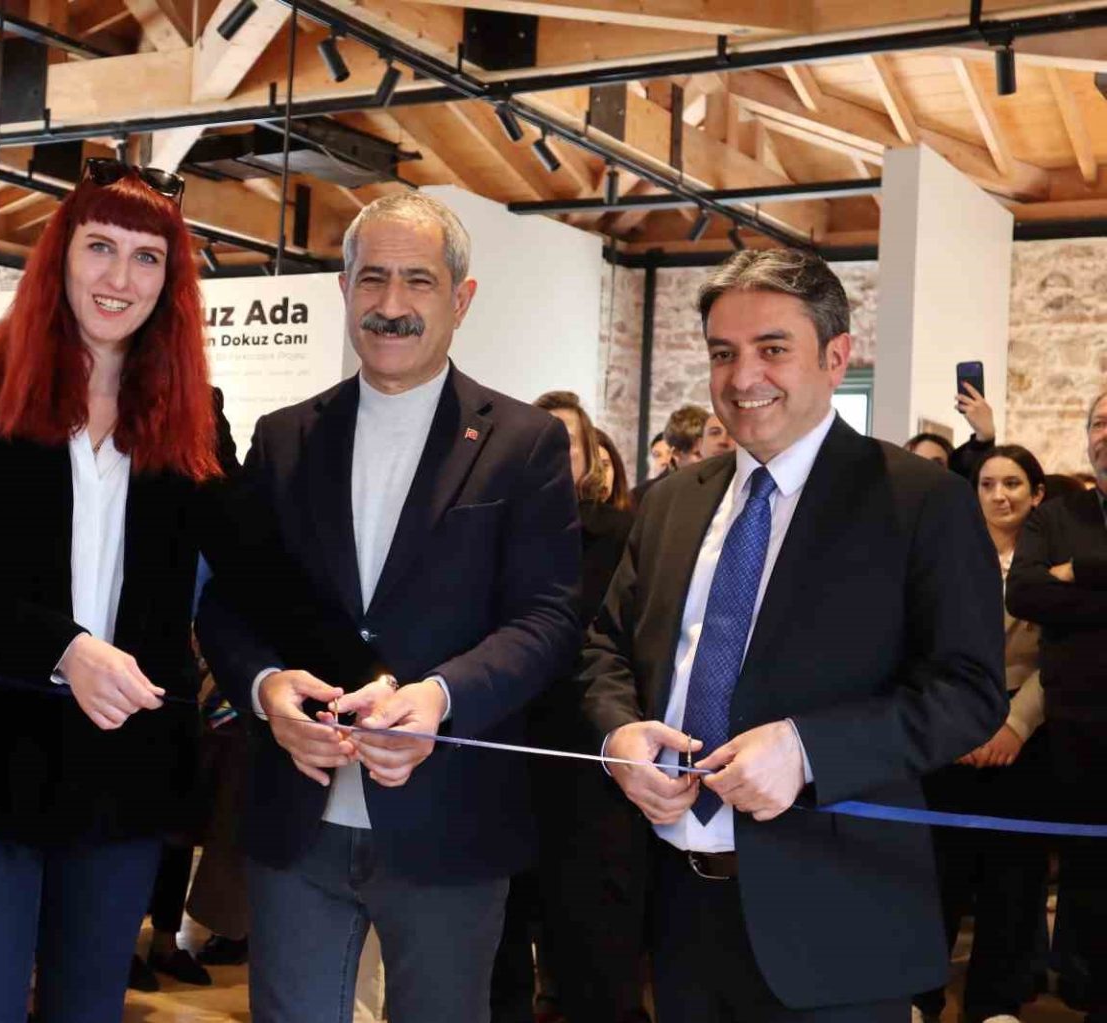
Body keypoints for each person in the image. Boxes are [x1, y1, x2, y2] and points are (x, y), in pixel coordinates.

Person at [0, 160, 374, 1023]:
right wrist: (64, 650)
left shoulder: (191, 411)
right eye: (100, 247)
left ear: (171, 280)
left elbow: (257, 566)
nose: (120, 276)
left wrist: (367, 673)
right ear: (60, 255)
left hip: (122, 775)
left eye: (147, 257)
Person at [582, 247, 1006, 1022]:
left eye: (772, 348)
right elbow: (605, 643)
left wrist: (809, 749)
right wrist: (619, 735)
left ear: (836, 357)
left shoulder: (921, 502)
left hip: (838, 920)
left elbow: (970, 692)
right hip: (674, 912)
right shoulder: (672, 501)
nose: (743, 377)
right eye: (723, 353)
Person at [196, 192, 583, 1023]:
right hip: (297, 816)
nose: (392, 303)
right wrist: (265, 688)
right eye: (372, 278)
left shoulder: (523, 443)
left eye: (418, 280)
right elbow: (231, 602)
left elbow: (548, 618)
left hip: (451, 822)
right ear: (344, 290)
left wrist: (440, 698)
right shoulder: (284, 437)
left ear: (461, 299)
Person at [519, 391, 646, 1023]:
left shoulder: (622, 536)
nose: (552, 450)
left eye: (565, 440)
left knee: (595, 946)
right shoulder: (498, 531)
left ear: (591, 454)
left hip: (590, 764)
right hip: (507, 760)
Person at [913, 444, 1051, 1023]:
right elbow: (922, 644)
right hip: (951, 733)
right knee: (937, 874)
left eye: (1013, 483)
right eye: (988, 484)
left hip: (1028, 732)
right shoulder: (947, 553)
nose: (1000, 495)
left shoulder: (1054, 561)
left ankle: (994, 1003)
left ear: (1036, 494)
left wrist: (1016, 726)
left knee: (1011, 878)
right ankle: (920, 995)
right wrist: (958, 726)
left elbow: (1062, 654)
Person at [1006, 389, 1107, 1023]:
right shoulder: (1056, 516)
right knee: (1084, 866)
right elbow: (1025, 595)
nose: (1106, 434)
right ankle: (1083, 985)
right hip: (1080, 721)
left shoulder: (1073, 543)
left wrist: (1082, 570)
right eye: (1099, 423)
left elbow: (1056, 592)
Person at [632, 404, 709, 508]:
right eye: (698, 454)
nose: (708, 458)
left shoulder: (721, 488)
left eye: (709, 451)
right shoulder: (643, 497)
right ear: (676, 453)